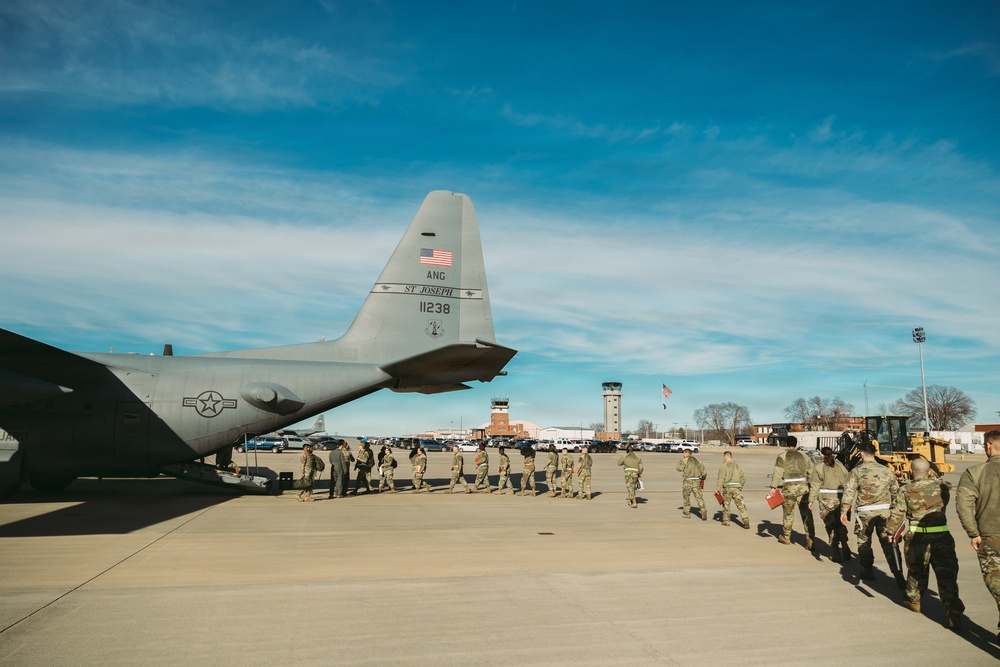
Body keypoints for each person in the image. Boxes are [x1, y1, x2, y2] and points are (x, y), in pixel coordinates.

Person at [886, 458, 964, 629]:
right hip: (941, 536)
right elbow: (945, 493)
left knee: (916, 571)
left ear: (911, 470)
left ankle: (914, 600)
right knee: (947, 575)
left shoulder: (905, 490)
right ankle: (953, 613)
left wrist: (890, 532)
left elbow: (897, 514)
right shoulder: (942, 487)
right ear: (929, 471)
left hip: (917, 538)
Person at [840, 441, 904, 586]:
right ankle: (898, 573)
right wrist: (896, 513)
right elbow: (896, 492)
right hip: (885, 512)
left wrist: (844, 511)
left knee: (864, 541)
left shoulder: (856, 471)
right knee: (889, 543)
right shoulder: (886, 470)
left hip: (865, 513)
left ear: (862, 454)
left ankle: (868, 570)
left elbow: (849, 492)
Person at [956, 429, 1000, 639]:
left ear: (988, 446)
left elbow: (963, 505)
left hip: (991, 539)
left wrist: (973, 532)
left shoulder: (975, 472)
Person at [770, 436, 815, 548]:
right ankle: (810, 540)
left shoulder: (782, 457)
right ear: (796, 444)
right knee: (806, 514)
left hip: (789, 487)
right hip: (803, 487)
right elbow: (811, 471)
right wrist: (810, 484)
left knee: (788, 513)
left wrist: (773, 486)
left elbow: (778, 472)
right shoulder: (804, 456)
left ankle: (786, 536)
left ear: (786, 444)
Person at [808, 446, 851, 561]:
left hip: (827, 500)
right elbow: (848, 479)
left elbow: (815, 485)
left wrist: (811, 500)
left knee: (831, 525)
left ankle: (836, 551)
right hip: (841, 498)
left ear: (821, 455)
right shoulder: (840, 466)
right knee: (840, 524)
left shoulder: (819, 467)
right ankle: (845, 546)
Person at [715, 451, 749, 528]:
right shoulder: (738, 466)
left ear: (725, 457)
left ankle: (726, 521)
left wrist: (718, 489)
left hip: (727, 487)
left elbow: (721, 478)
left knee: (726, 504)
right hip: (737, 487)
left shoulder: (723, 466)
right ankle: (745, 519)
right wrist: (740, 485)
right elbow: (744, 476)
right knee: (740, 504)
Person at [676, 448, 707, 520]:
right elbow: (704, 472)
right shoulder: (698, 461)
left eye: (684, 453)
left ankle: (687, 513)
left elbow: (678, 468)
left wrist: (681, 460)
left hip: (687, 481)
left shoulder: (685, 460)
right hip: (696, 481)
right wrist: (703, 478)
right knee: (699, 497)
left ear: (686, 453)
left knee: (686, 498)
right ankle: (703, 511)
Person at [617, 444, 643, 508]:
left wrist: (625, 462)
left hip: (628, 473)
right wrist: (639, 473)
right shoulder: (637, 457)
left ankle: (634, 501)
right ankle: (631, 499)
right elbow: (641, 467)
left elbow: (619, 463)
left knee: (629, 486)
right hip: (635, 473)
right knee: (633, 486)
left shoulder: (625, 456)